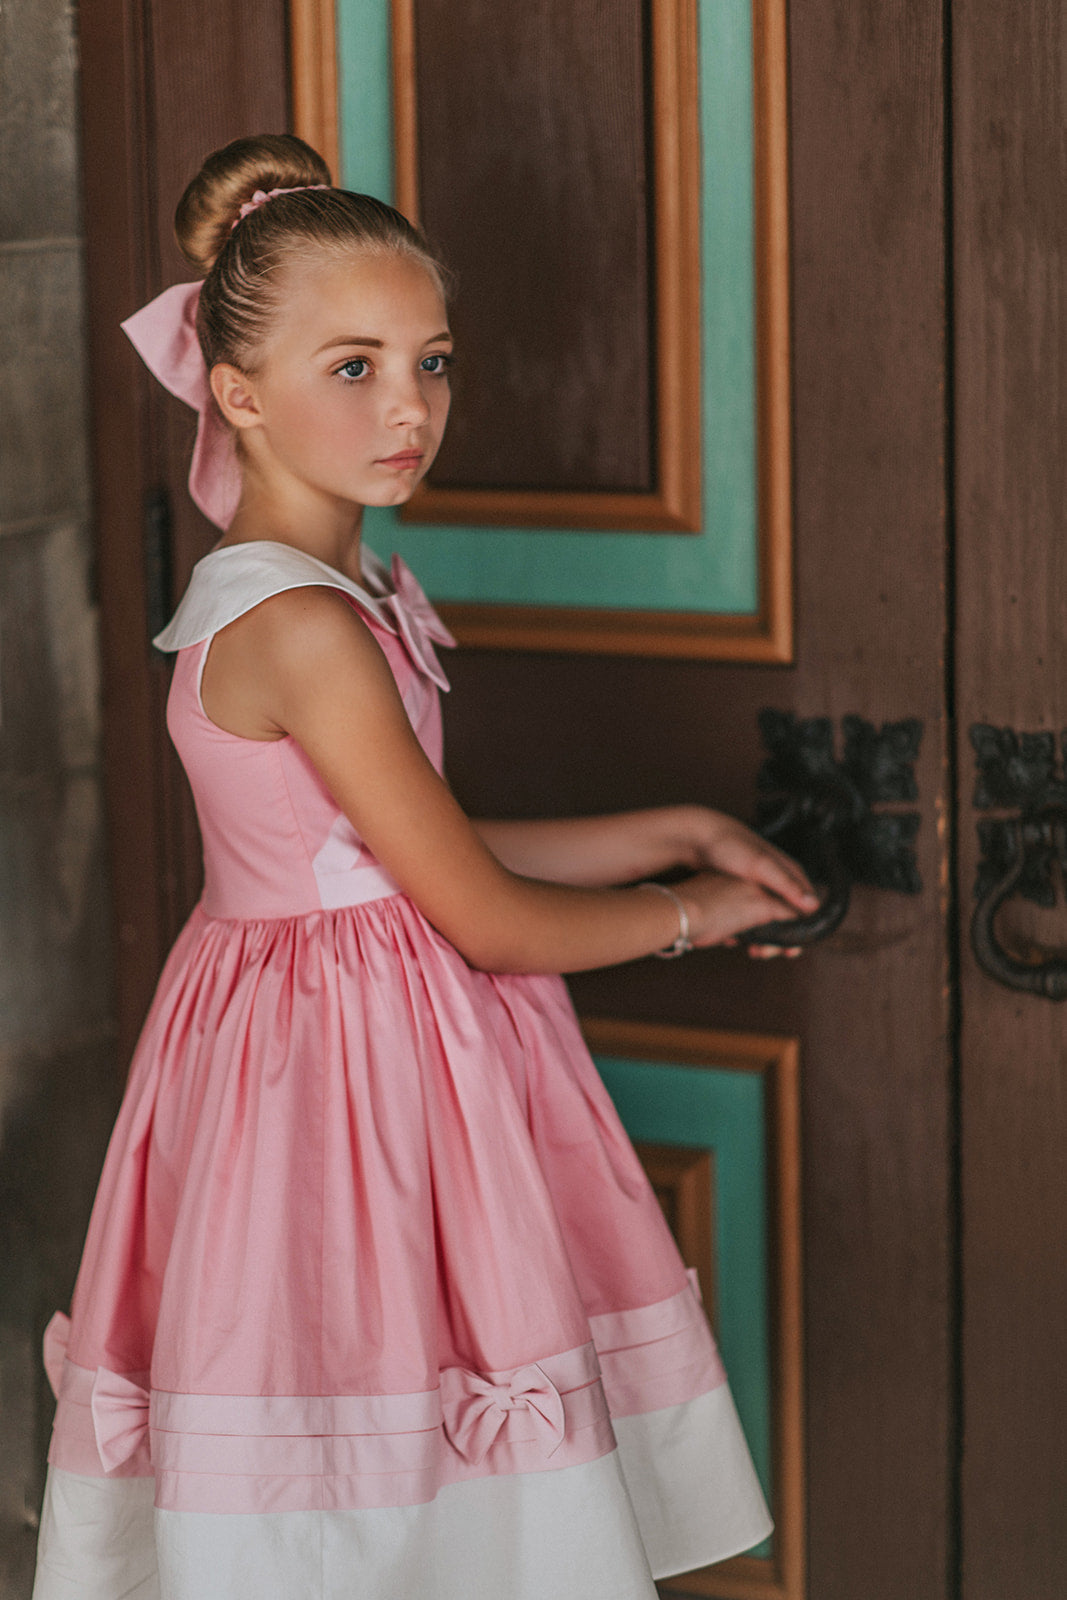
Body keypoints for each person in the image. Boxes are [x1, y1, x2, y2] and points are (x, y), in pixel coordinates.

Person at [32, 134, 817, 1600]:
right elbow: (482, 919)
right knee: (376, 1456)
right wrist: (692, 917)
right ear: (238, 392)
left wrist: (674, 831)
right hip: (342, 1079)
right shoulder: (302, 625)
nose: (410, 408)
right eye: (355, 368)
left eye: (432, 361)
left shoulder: (336, 589)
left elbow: (398, 853)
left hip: (338, 1028)